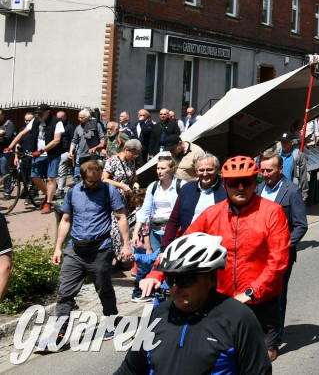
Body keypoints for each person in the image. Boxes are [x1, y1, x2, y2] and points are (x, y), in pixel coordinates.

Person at [141, 155, 290, 362]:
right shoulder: (212, 214)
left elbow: (278, 261)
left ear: (255, 183)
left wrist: (251, 292)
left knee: (263, 356)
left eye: (246, 182)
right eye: (233, 183)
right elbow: (181, 246)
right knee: (217, 355)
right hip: (222, 299)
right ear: (225, 184)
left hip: (261, 301)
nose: (240, 187)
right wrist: (156, 273)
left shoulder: (273, 212)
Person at [115, 233, 272, 374]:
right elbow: (130, 370)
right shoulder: (158, 314)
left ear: (211, 279)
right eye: (171, 279)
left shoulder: (238, 318)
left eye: (186, 279)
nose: (175, 288)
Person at [38, 159, 132, 350]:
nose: (96, 184)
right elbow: (65, 220)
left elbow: (121, 216)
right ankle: (59, 335)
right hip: (75, 250)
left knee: (103, 289)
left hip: (100, 249)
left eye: (98, 180)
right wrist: (58, 247)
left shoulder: (108, 190)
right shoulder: (73, 192)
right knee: (65, 293)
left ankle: (111, 320)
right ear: (82, 178)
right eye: (92, 181)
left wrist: (126, 244)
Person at [257, 151, 308, 351]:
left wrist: (282, 246)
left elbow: (301, 226)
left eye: (269, 170)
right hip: (258, 255)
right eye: (263, 170)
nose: (265, 174)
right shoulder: (258, 188)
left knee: (277, 297)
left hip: (281, 256)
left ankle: (274, 342)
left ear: (280, 169)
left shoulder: (292, 190)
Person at [161, 153, 227, 247]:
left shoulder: (226, 188)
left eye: (209, 169)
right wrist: (164, 247)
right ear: (196, 171)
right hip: (190, 243)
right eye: (201, 170)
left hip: (218, 244)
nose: (205, 173)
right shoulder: (187, 189)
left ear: (217, 169)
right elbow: (174, 220)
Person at [9, 103, 64, 214]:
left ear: (48, 112)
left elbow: (56, 140)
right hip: (37, 154)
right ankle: (49, 195)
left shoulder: (57, 122)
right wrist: (10, 146)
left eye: (41, 113)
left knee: (50, 178)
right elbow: (22, 133)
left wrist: (42, 150)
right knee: (35, 177)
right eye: (37, 113)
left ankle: (48, 203)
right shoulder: (35, 121)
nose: (38, 115)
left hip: (52, 154)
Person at [131, 153, 181, 254]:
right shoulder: (153, 187)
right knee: (156, 260)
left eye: (163, 168)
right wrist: (135, 233)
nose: (159, 171)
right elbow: (145, 210)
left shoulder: (181, 185)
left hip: (174, 228)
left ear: (172, 169)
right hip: (156, 228)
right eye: (158, 168)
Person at [103, 138, 142, 260]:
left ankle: (125, 255)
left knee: (128, 228)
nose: (135, 157)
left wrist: (135, 183)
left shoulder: (131, 162)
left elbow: (134, 177)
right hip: (115, 199)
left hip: (128, 201)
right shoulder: (112, 161)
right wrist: (122, 185)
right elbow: (105, 179)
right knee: (116, 230)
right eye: (133, 154)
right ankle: (117, 258)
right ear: (126, 150)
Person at [279, 132, 309, 201]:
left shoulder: (298, 155)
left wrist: (304, 192)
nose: (283, 144)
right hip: (279, 189)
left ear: (292, 142)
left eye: (285, 142)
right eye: (282, 142)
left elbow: (303, 174)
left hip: (292, 190)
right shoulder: (277, 154)